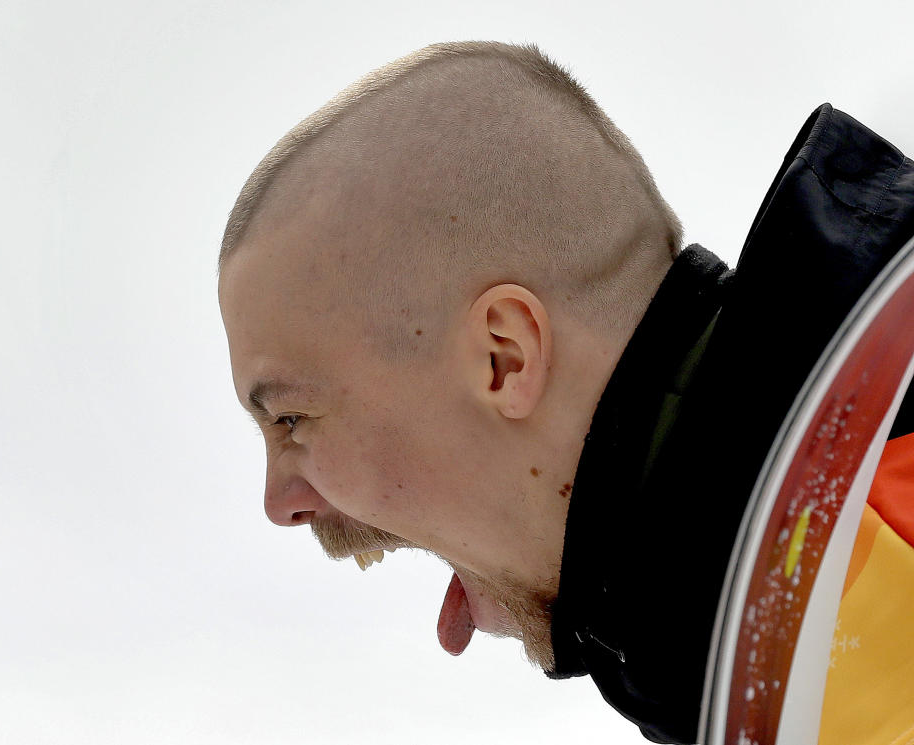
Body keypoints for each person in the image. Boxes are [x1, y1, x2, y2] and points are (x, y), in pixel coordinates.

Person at [217, 41, 914, 744]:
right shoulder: (802, 619)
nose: (283, 503)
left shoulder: (862, 607)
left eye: (292, 418)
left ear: (504, 358)